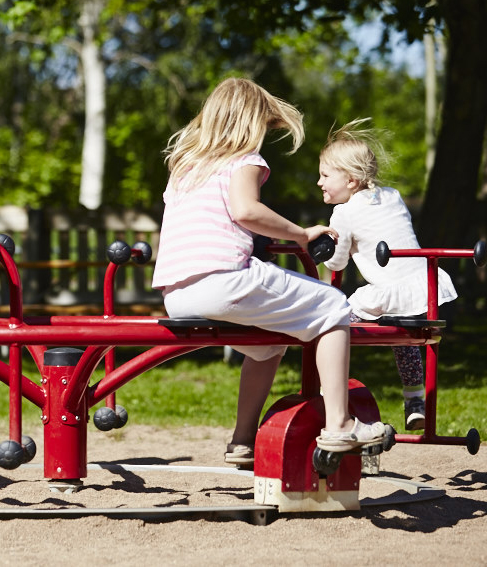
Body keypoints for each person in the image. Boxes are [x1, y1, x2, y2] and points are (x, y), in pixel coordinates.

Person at [152, 77, 386, 466]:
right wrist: (299, 235)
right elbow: (246, 210)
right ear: (250, 123)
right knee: (332, 304)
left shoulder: (186, 165)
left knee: (268, 346)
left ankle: (242, 440)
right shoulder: (243, 160)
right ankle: (340, 424)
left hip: (177, 293)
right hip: (222, 279)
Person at [318, 119, 457, 430]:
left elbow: (336, 265)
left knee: (333, 322)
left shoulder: (344, 212)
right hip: (425, 288)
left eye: (325, 175)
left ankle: (327, 388)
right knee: (404, 337)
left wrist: (333, 245)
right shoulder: (392, 195)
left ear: (351, 180)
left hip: (391, 292)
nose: (319, 182)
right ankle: (414, 400)